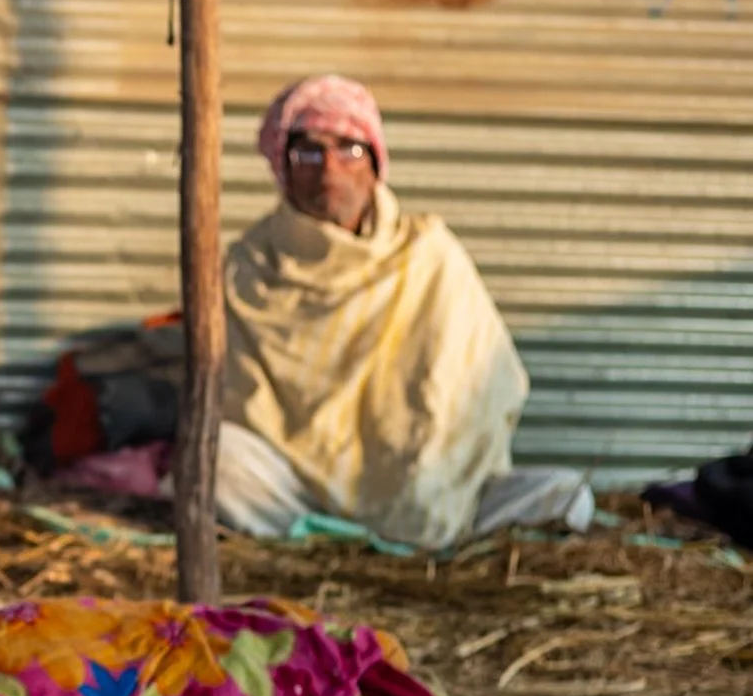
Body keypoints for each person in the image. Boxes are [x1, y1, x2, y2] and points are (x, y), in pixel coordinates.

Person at [216, 76, 593, 550]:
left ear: (375, 164)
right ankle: (326, 543)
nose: (330, 168)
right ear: (282, 168)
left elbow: (481, 385)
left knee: (566, 497)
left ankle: (409, 539)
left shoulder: (428, 255)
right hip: (300, 498)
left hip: (431, 491)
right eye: (307, 152)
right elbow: (235, 401)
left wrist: (420, 461)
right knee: (218, 463)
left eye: (349, 149)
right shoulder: (247, 269)